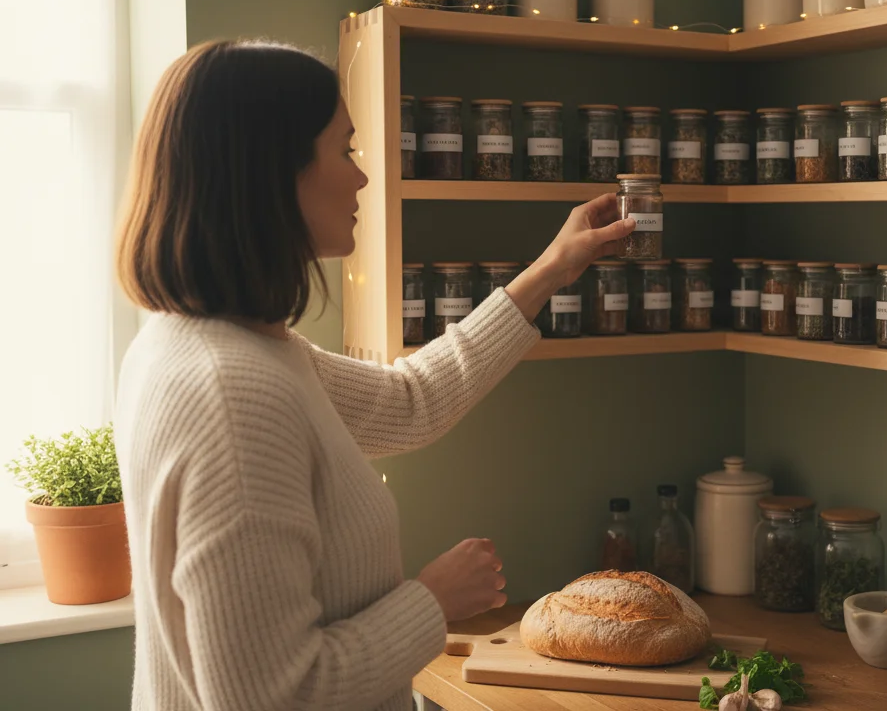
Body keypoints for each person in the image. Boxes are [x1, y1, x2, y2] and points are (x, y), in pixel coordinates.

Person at [112, 40, 633, 711]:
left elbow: (411, 402)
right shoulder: (231, 394)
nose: (361, 178)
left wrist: (550, 271)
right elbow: (274, 696)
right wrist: (433, 600)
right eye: (345, 150)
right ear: (275, 173)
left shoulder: (216, 346)